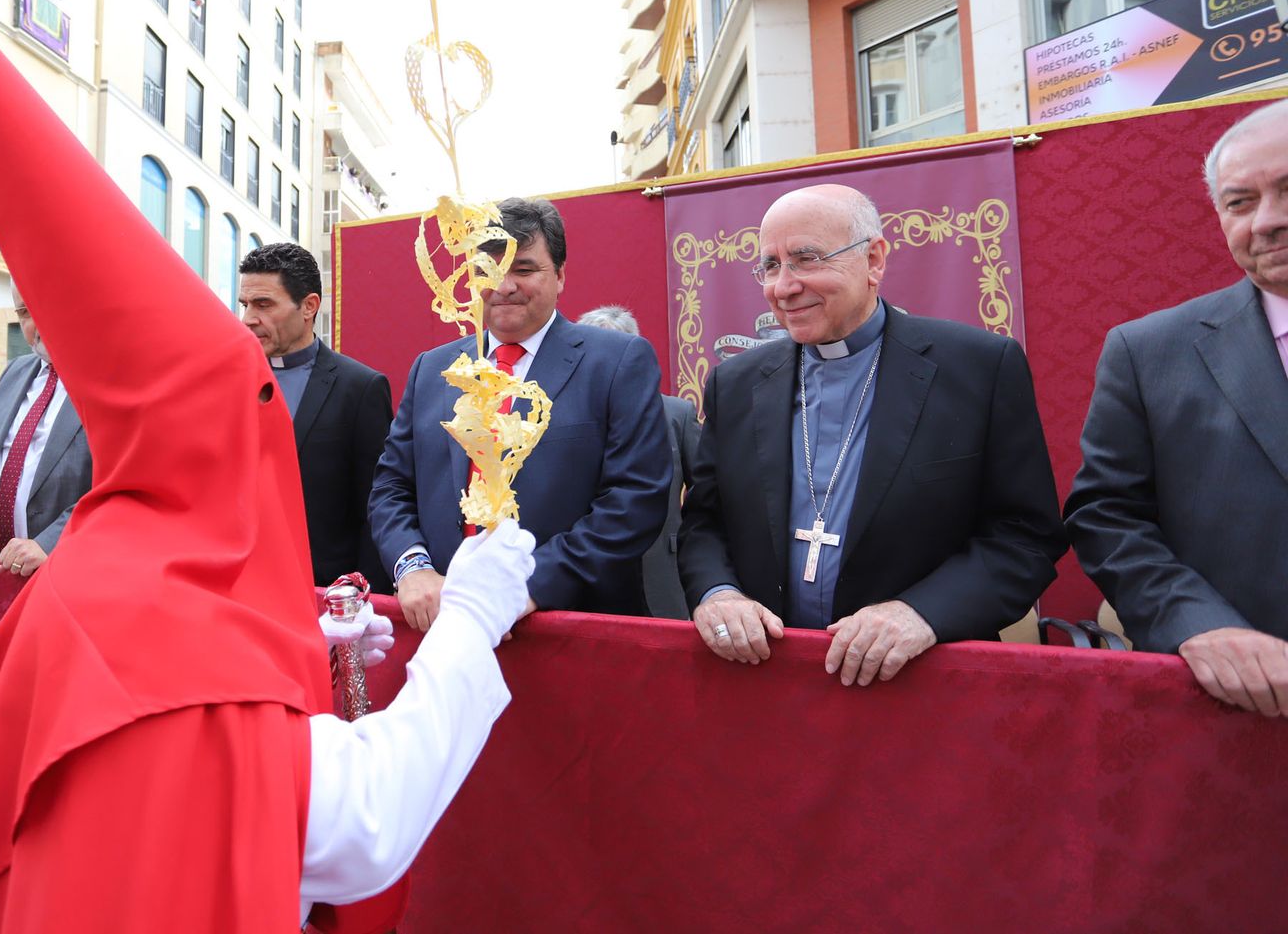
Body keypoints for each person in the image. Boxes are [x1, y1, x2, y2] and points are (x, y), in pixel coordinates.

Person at [0, 0, 542, 928]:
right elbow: (358, 821)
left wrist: (309, 646)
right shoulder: (172, 631)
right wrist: (474, 610)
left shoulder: (102, 578)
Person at [678, 183, 1065, 685]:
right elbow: (704, 522)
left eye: (807, 258)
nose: (784, 286)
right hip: (766, 681)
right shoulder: (736, 382)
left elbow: (1024, 537)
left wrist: (919, 613)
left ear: (874, 260)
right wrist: (718, 594)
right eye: (771, 266)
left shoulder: (979, 368)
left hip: (921, 684)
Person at [1066, 99, 1288, 716]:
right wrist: (1202, 626)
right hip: (1245, 712)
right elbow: (1107, 516)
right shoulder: (1148, 351)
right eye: (1240, 202)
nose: (1267, 221)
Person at [370, 197, 672, 631]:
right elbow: (392, 486)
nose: (504, 285)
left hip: (563, 627)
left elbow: (635, 499)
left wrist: (526, 586)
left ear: (561, 275)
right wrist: (412, 566)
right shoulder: (432, 370)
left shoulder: (617, 362)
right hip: (442, 625)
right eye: (485, 271)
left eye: (524, 269)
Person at [239, 243, 393, 589]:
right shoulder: (225, 383)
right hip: (236, 592)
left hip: (322, 598)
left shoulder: (360, 388)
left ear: (309, 306)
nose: (249, 318)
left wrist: (358, 601)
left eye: (264, 304)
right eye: (245, 305)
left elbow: (377, 508)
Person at [0, 289, 91, 583]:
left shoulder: (114, 377)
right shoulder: (14, 371)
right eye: (24, 312)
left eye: (47, 306)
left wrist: (51, 542)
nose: (36, 323)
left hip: (68, 573)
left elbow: (120, 481)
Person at [577, 304, 699, 619]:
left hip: (661, 573)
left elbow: (708, 491)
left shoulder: (676, 414)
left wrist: (687, 543)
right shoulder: (556, 417)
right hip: (585, 578)